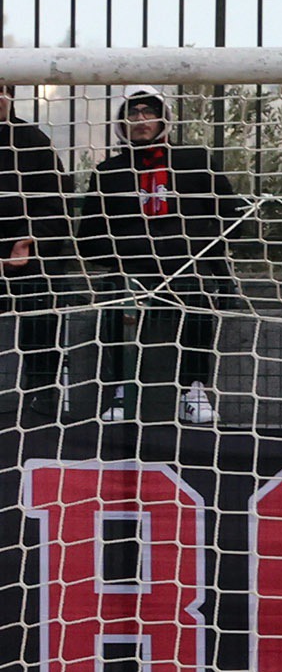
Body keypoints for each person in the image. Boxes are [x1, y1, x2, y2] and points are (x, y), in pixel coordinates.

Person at [84, 88, 229, 427]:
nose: (140, 120)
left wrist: (202, 248)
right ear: (122, 123)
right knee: (116, 305)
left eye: (148, 112)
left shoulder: (194, 160)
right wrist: (127, 251)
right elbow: (88, 237)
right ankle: (122, 390)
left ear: (164, 119)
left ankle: (193, 391)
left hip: (184, 266)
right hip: (131, 268)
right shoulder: (108, 172)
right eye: (133, 114)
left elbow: (228, 212)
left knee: (197, 303)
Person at [0, 75, 60, 428]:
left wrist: (28, 241)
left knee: (41, 311)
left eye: (2, 91)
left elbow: (55, 205)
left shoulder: (33, 141)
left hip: (26, 262)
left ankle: (42, 397)